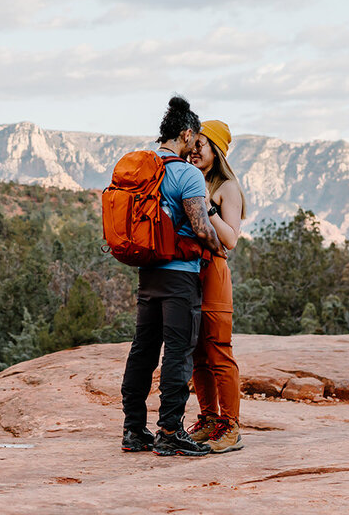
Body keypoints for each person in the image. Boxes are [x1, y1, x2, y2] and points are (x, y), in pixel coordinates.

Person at [120, 96, 227, 457]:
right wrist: (219, 248)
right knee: (178, 353)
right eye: (194, 139)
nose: (195, 146)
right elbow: (201, 228)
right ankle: (169, 430)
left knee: (143, 351)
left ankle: (134, 430)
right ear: (183, 134)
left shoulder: (142, 167)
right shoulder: (186, 174)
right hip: (180, 276)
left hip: (147, 272)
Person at [185, 120, 246, 453]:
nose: (194, 150)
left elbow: (231, 239)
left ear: (216, 150)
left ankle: (231, 426)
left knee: (219, 349)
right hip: (189, 271)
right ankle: (209, 420)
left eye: (201, 145)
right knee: (197, 351)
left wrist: (208, 206)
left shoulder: (226, 188)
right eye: (193, 143)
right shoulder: (192, 181)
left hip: (214, 274)